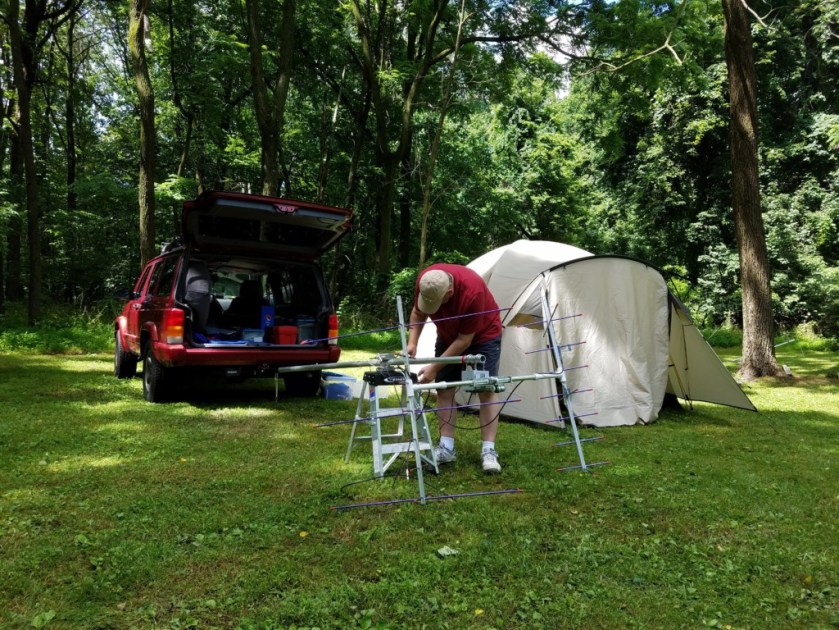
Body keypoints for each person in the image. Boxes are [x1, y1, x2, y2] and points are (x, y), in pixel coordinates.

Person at [406, 264, 503, 474]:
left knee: (485, 389)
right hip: (449, 335)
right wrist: (412, 342)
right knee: (444, 388)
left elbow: (464, 341)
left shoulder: (472, 291)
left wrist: (434, 367)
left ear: (449, 292)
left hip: (482, 336)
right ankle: (446, 448)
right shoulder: (427, 280)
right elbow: (417, 312)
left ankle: (488, 451)